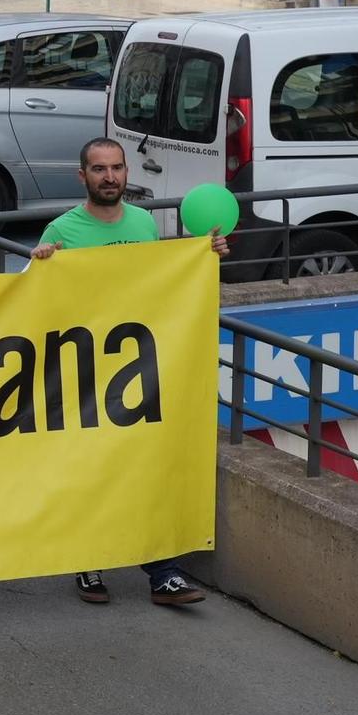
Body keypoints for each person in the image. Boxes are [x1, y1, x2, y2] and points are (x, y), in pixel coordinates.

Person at [27, 137, 227, 609]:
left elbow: (159, 282)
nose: (110, 177)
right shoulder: (61, 230)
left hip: (138, 371)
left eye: (117, 167)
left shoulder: (142, 223)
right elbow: (31, 303)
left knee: (146, 470)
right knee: (91, 470)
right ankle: (88, 560)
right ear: (83, 176)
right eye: (99, 169)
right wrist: (40, 267)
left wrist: (203, 255)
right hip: (83, 371)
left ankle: (164, 573)